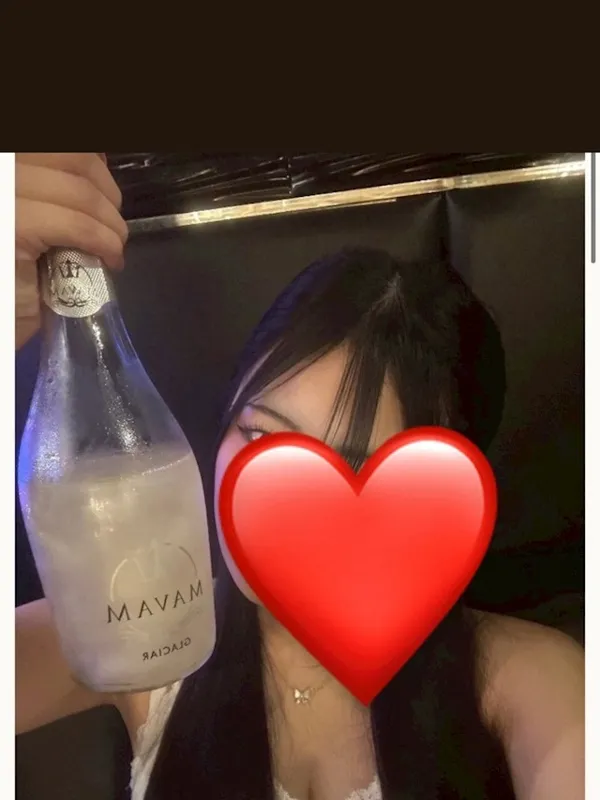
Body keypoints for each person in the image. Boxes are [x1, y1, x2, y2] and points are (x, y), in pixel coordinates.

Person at [15, 153, 584, 800]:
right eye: (261, 437)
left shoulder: (525, 682)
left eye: (356, 472)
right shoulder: (137, 625)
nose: (282, 504)